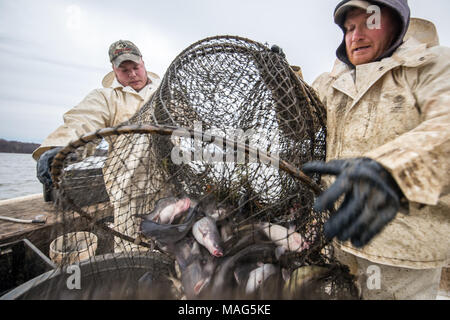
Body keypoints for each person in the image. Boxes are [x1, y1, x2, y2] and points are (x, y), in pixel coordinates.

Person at [303, 0, 450, 299]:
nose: (356, 36)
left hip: (403, 255)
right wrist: (281, 76)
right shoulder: (333, 84)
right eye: (349, 28)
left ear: (398, 23)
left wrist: (386, 170)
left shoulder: (432, 65)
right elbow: (297, 119)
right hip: (340, 242)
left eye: (369, 23)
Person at [33, 40, 161, 195]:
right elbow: (83, 121)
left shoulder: (164, 91)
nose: (132, 74)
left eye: (136, 67)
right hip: (128, 187)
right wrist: (62, 147)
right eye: (124, 70)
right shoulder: (104, 97)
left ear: (143, 62)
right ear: (114, 70)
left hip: (171, 180)